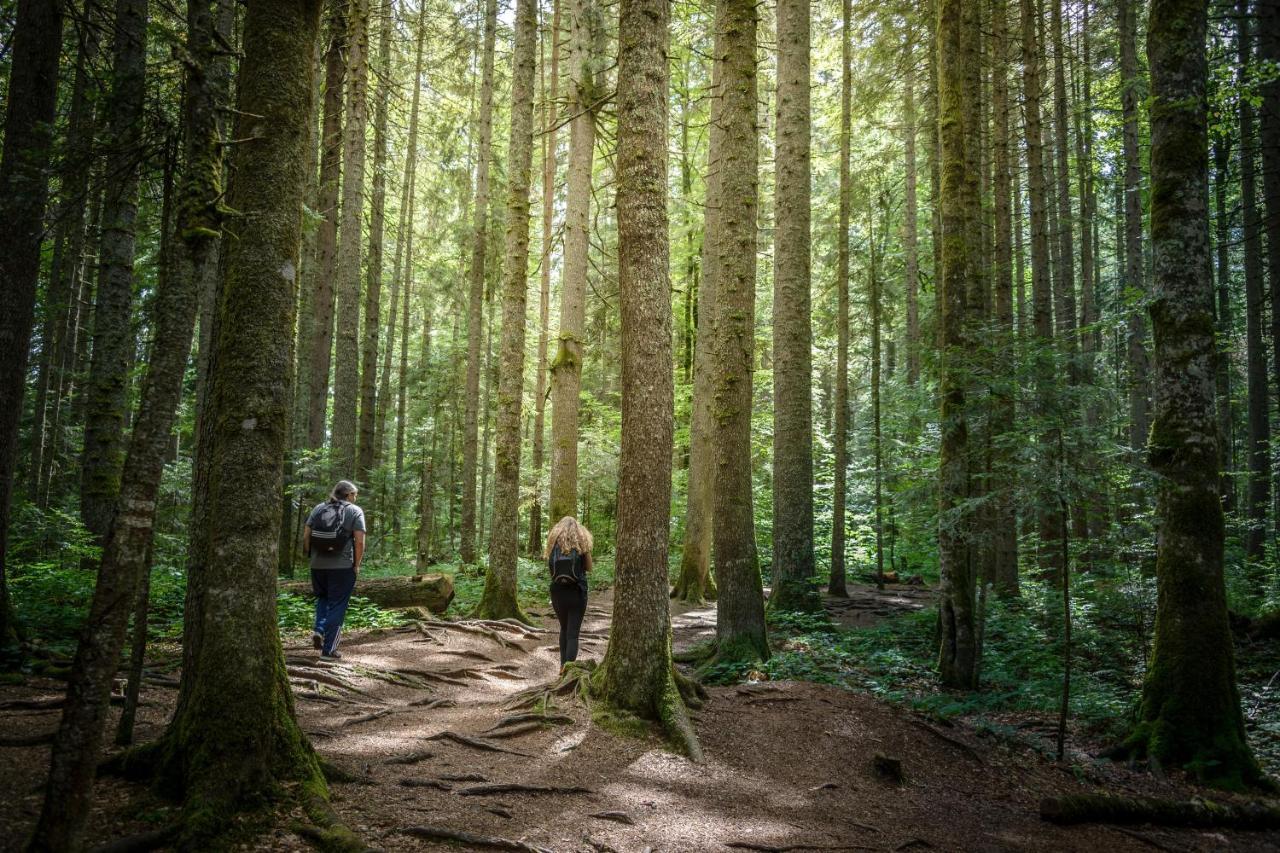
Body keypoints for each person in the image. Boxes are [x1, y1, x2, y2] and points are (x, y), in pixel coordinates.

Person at [302, 480, 366, 660]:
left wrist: (312, 557)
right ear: (348, 495)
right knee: (338, 605)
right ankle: (329, 651)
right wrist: (356, 564)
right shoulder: (355, 511)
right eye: (355, 494)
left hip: (317, 566)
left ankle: (319, 630)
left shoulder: (318, 508)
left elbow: (306, 536)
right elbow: (360, 542)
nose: (355, 498)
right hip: (342, 567)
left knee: (323, 598)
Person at [545, 516, 592, 669]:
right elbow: (589, 568)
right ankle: (568, 670)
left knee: (564, 629)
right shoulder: (581, 545)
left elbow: (551, 570)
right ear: (578, 531)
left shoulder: (553, 546)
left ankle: (561, 666)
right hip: (577, 592)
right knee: (573, 634)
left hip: (557, 592)